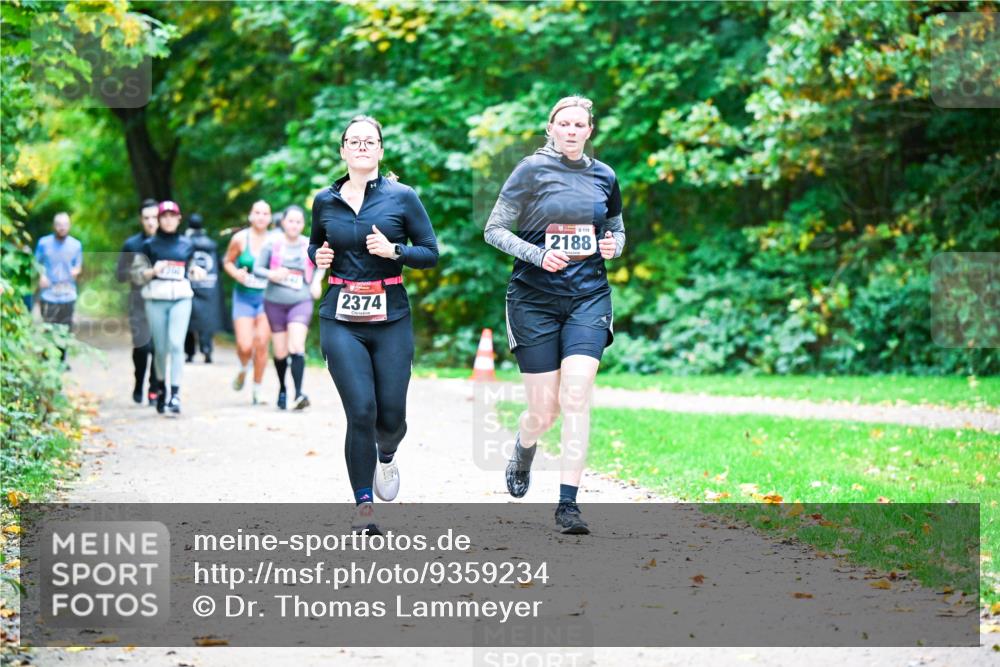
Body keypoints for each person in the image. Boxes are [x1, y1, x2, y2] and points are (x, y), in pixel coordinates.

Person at [484, 95, 625, 535]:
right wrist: (538, 254)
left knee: (576, 396)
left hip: (588, 298)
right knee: (543, 411)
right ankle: (525, 445)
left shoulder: (605, 176)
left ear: (589, 131)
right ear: (551, 127)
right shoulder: (530, 170)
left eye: (579, 124)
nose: (571, 130)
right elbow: (494, 229)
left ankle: (568, 505)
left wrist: (614, 246)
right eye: (563, 123)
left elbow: (616, 230)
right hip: (533, 300)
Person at [309, 115, 438, 533]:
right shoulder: (325, 200)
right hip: (341, 317)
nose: (362, 147)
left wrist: (395, 250)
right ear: (343, 150)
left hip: (391, 316)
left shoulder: (403, 197)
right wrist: (317, 256)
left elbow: (430, 253)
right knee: (361, 410)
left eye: (370, 141)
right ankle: (364, 507)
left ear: (380, 149)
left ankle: (387, 454)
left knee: (391, 418)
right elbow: (315, 243)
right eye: (354, 141)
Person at [131, 200, 206, 415]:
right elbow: (136, 275)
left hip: (181, 298)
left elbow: (191, 267)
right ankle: (161, 387)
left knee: (176, 344)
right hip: (156, 299)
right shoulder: (148, 245)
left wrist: (196, 272)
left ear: (179, 219)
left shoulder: (186, 244)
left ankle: (175, 393)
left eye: (173, 216)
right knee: (161, 349)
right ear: (159, 219)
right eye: (164, 216)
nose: (168, 220)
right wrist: (153, 271)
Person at [254, 205, 324, 410]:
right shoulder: (272, 244)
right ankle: (283, 388)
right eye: (290, 221)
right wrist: (272, 274)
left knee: (296, 346)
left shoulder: (309, 245)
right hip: (274, 302)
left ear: (303, 224)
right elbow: (257, 268)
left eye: (298, 221)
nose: (294, 225)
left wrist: (316, 281)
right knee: (280, 351)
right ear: (283, 222)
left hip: (300, 300)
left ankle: (299, 393)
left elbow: (322, 264)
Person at [222, 201, 273, 405]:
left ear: (270, 218)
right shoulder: (240, 238)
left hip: (268, 298)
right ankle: (243, 369)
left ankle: (257, 390)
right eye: (257, 212)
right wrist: (237, 274)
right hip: (244, 297)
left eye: (265, 213)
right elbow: (227, 261)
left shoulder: (276, 240)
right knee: (244, 346)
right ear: (250, 216)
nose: (261, 216)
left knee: (261, 342)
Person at [116, 199, 160, 404]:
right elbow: (120, 275)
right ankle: (139, 381)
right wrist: (138, 272)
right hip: (138, 302)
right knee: (142, 347)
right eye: (146, 218)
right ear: (141, 220)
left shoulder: (168, 244)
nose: (151, 222)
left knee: (158, 347)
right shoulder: (132, 244)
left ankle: (154, 388)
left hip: (162, 302)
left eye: (154, 217)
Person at [35, 212, 83, 363]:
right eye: (59, 225)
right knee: (49, 327)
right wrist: (41, 275)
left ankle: (61, 361)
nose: (62, 228)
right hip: (48, 293)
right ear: (54, 226)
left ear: (69, 226)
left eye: (65, 225)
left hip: (68, 293)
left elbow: (78, 266)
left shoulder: (76, 245)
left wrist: (76, 271)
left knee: (65, 328)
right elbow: (36, 264)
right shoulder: (43, 243)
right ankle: (47, 360)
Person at [184, 213, 223, 363]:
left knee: (188, 321)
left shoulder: (184, 243)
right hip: (210, 288)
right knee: (206, 321)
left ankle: (189, 353)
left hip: (190, 286)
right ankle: (207, 350)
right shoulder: (211, 245)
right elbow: (219, 265)